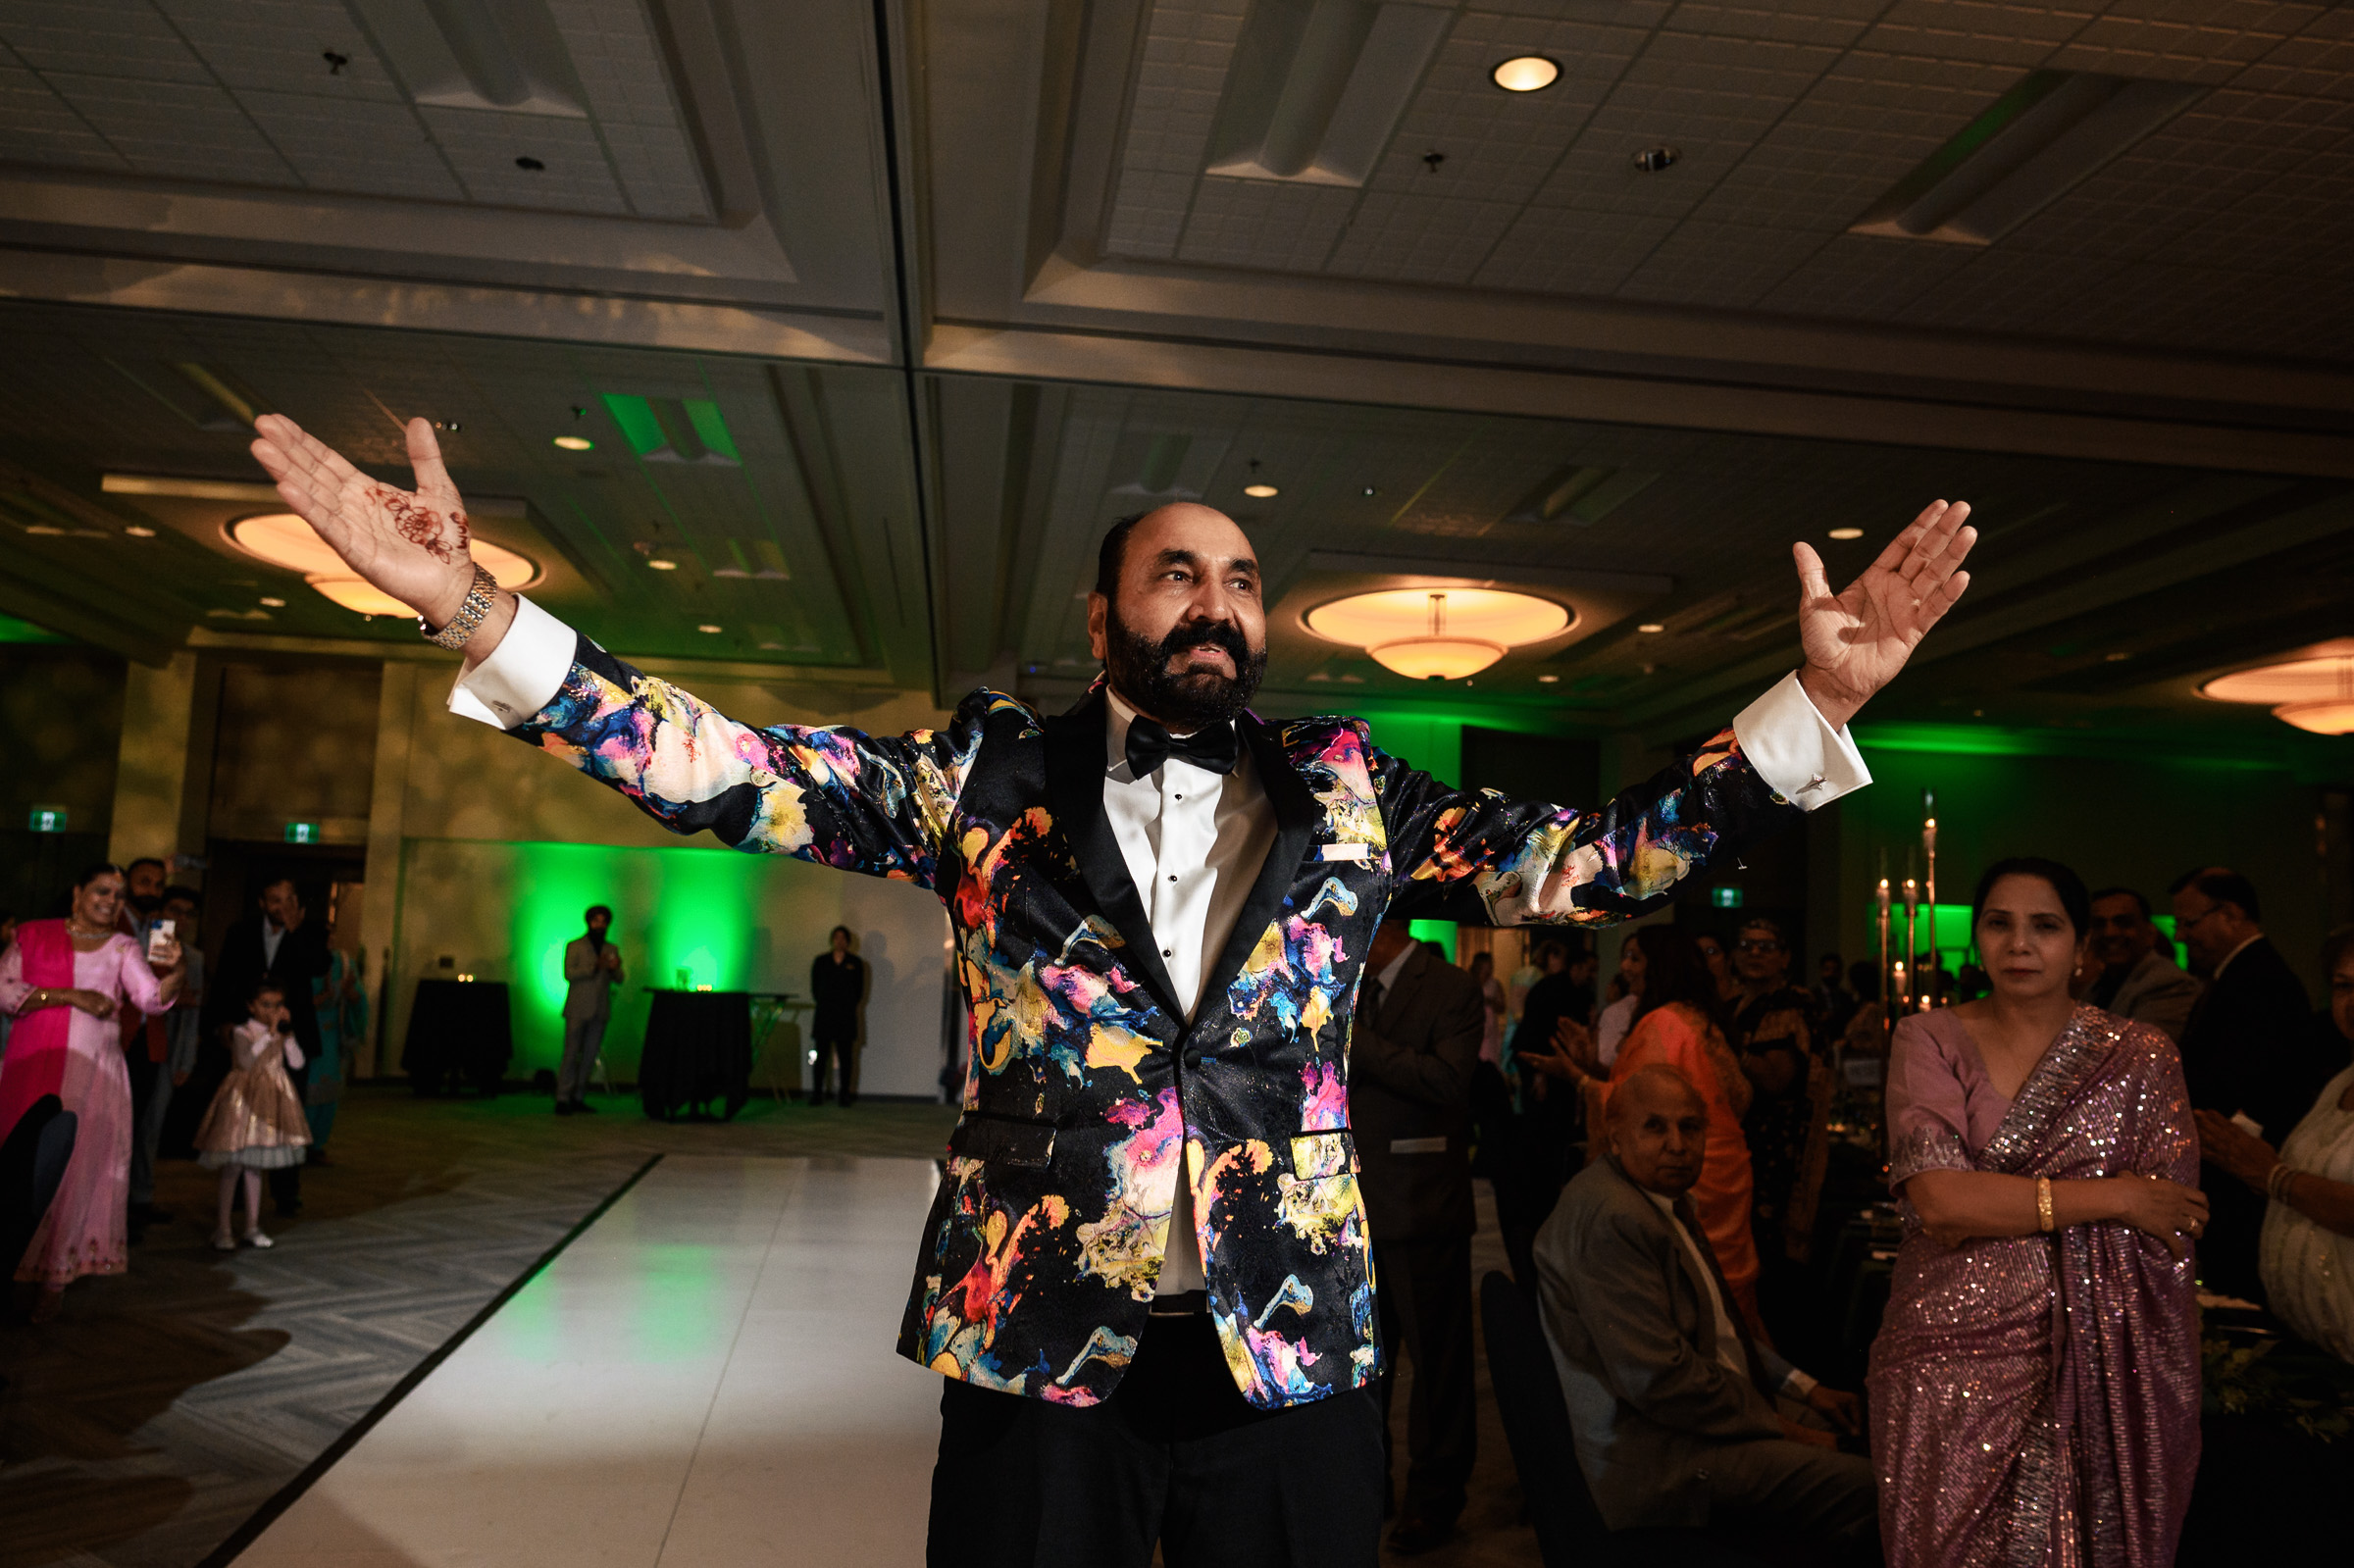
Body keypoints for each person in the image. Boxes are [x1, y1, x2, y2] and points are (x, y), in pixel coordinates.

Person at [247, 408, 1968, 1566]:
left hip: (1291, 1342)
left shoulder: (1358, 784)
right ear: (1104, 615)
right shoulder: (982, 774)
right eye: (1178, 571)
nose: (1217, 601)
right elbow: (717, 764)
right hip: (1037, 1334)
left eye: (1240, 576)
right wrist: (473, 608)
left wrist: (1813, 715)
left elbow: (1614, 857)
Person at [1869, 857, 2203, 1567]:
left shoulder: (2140, 1058)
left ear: (2081, 945)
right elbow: (1939, 1199)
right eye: (2000, 923)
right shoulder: (1927, 1038)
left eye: (2045, 926)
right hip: (1945, 1355)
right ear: (1979, 938)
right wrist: (2114, 1196)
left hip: (2102, 1359)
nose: (2020, 943)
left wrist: (2017, 1204)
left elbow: (2170, 1221)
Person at [1533, 1063, 1873, 1555]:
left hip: (1699, 1419)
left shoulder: (1657, 1196)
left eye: (1689, 1127)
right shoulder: (1614, 1217)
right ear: (1615, 1135)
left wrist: (1807, 1388)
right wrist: (1790, 1431)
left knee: (1885, 1441)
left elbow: (1718, 1331)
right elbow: (1659, 1381)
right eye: (1655, 1127)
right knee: (1876, 1487)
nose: (1676, 1144)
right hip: (1660, 1456)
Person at [1524, 926, 1764, 1325]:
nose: (1625, 967)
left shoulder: (1663, 1024)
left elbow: (1640, 1106)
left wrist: (1581, 1080)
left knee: (1690, 1301)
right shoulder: (1694, 1016)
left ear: (1661, 965)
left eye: (1635, 957)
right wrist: (1592, 1068)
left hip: (1692, 1175)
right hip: (1721, 1165)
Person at [1350, 919, 1485, 1554]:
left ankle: (1434, 1499)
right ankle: (1364, 1486)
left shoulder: (1451, 988)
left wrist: (1359, 1044)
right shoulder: (1342, 985)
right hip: (1348, 1208)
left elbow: (1447, 1080)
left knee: (1437, 1368)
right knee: (1362, 1367)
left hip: (1421, 1202)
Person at [0, 863, 184, 1319]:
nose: (111, 902)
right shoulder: (33, 934)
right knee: (23, 1165)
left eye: (118, 897)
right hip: (33, 1068)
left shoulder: (123, 946)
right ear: (78, 892)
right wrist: (70, 996)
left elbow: (150, 999)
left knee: (75, 1173)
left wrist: (176, 970)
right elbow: (5, 992)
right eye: (102, 891)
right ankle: (11, 1269)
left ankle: (55, 1278)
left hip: (94, 1078)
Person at [2171, 867, 2333, 1300]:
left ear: (2232, 914)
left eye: (2190, 922)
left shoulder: (2260, 980)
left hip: (2243, 1173)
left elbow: (2252, 1085)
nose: (2182, 936)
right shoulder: (2237, 976)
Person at [2195, 927, 2354, 1363]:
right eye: (2344, 986)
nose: (2353, 1002)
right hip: (2314, 1347)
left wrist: (2272, 1176)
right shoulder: (2340, 1080)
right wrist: (2246, 1164)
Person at [206, 878, 332, 1216]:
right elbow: (224, 979)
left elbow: (321, 966)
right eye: (275, 900)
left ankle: (286, 1191)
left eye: (289, 899)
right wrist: (222, 1023)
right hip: (247, 1034)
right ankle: (236, 1192)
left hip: (291, 1036)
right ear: (262, 902)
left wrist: (298, 930)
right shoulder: (240, 931)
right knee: (243, 1113)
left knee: (290, 1115)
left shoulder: (310, 932)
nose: (282, 907)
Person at [1727, 917, 1832, 1290]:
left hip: (1777, 1150)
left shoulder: (1793, 1004)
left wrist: (1729, 1046)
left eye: (1766, 947)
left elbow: (1777, 1079)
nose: (1755, 953)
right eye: (1746, 945)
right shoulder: (1733, 1004)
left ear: (1784, 958)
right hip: (1734, 1142)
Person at [197, 980, 312, 1249]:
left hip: (271, 1101)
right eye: (266, 1005)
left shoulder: (281, 1033)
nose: (273, 1010)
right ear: (251, 1006)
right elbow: (246, 1062)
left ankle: (251, 1226)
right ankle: (223, 1228)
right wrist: (270, 1035)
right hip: (244, 1102)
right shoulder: (242, 1031)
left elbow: (297, 1062)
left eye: (278, 1005)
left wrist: (289, 1036)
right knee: (233, 1165)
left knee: (255, 1166)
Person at [128, 885, 206, 1234]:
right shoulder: (140, 945)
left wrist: (185, 1061)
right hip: (134, 1041)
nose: (181, 919)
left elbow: (192, 1015)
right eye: (175, 910)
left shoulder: (194, 957)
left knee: (151, 1127)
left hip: (166, 1049)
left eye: (188, 913)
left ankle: (141, 1197)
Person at [2084, 886, 2201, 1041]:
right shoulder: (2096, 986)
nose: (2109, 933)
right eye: (2099, 924)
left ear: (2149, 932)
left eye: (2123, 923)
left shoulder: (2169, 983)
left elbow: (2141, 1055)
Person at [558, 904, 623, 1115]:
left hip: (600, 1008)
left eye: (603, 921)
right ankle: (562, 1097)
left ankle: (579, 1096)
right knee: (570, 1053)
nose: (600, 925)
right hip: (578, 1007)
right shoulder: (575, 946)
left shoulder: (611, 949)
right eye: (596, 921)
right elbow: (569, 973)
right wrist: (594, 966)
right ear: (588, 922)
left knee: (589, 1055)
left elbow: (620, 979)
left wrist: (615, 969)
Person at [308, 939, 364, 1153]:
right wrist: (331, 993)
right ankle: (299, 1142)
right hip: (309, 1033)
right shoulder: (303, 957)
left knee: (330, 1089)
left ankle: (317, 1144)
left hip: (333, 1035)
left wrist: (350, 992)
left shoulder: (344, 962)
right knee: (309, 1090)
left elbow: (358, 999)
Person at [807, 925, 866, 1107]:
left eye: (843, 938)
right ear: (832, 940)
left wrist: (846, 1004)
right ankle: (817, 1093)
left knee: (846, 1057)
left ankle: (844, 1095)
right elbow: (815, 987)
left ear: (848, 941)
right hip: (825, 1014)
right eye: (836, 937)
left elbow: (859, 990)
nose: (839, 941)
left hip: (845, 1016)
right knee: (821, 1055)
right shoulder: (821, 961)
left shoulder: (855, 963)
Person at [1813, 952, 1856, 1039]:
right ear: (1821, 971)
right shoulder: (1813, 996)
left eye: (1835, 970)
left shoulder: (1847, 998)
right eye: (1827, 969)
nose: (1831, 974)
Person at [1695, 932, 1736, 1007]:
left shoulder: (1744, 998)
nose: (1705, 958)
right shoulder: (1694, 999)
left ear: (1729, 958)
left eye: (1711, 952)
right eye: (1699, 953)